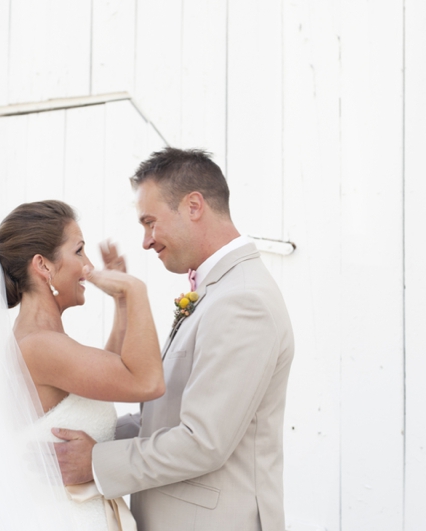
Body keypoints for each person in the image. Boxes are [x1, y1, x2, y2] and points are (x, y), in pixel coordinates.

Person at [52, 148, 295, 531]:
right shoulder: (218, 291)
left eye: (150, 222)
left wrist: (96, 461)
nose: (146, 241)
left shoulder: (243, 300)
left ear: (194, 205)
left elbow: (203, 441)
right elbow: (167, 415)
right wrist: (88, 430)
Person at [0, 200, 164, 531]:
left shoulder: (43, 340)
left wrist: (122, 303)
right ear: (43, 265)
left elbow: (104, 378)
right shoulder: (40, 346)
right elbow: (147, 382)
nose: (89, 265)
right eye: (79, 251)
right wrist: (136, 290)